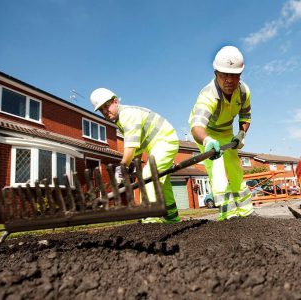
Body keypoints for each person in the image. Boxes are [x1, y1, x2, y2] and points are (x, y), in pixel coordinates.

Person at [90, 88, 181, 224]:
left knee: (149, 175)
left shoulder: (127, 115)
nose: (105, 112)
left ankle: (151, 217)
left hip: (165, 140)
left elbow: (130, 148)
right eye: (101, 109)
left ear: (115, 101)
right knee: (162, 182)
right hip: (157, 144)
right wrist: (130, 168)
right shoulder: (121, 121)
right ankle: (172, 218)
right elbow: (136, 151)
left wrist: (122, 168)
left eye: (107, 106)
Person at [189, 45, 254, 221]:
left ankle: (246, 211)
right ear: (215, 73)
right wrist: (207, 140)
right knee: (217, 171)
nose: (229, 80)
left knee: (234, 167)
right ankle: (228, 215)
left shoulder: (243, 92)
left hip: (227, 131)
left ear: (240, 75)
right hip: (206, 133)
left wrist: (241, 133)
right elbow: (197, 127)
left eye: (233, 75)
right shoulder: (208, 95)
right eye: (224, 75)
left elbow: (245, 115)